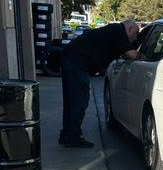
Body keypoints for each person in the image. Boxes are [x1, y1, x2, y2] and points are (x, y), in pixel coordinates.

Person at [59, 19, 139, 147]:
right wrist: (145, 54)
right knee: (79, 100)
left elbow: (117, 54)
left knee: (71, 100)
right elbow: (131, 55)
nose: (135, 38)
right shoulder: (118, 31)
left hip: (72, 58)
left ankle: (67, 134)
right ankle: (72, 137)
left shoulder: (114, 32)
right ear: (129, 29)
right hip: (77, 62)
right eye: (135, 34)